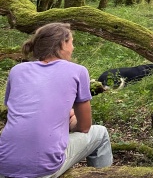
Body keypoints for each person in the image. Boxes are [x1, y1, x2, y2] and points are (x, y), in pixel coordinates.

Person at [0, 23, 113, 178]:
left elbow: (23, 113)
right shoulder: (78, 71)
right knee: (101, 134)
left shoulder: (17, 71)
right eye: (72, 42)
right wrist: (71, 120)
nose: (73, 48)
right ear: (62, 44)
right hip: (44, 167)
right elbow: (85, 127)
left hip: (5, 163)